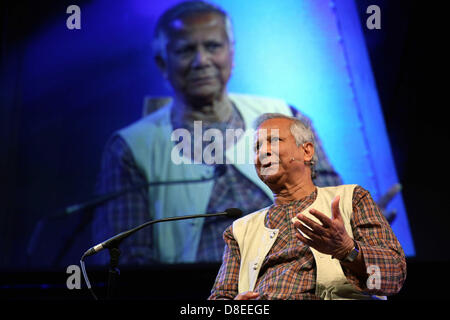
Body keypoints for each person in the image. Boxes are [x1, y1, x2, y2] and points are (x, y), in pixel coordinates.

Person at [91, 1, 342, 266]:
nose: (201, 61)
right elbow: (127, 263)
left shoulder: (285, 116)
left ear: (231, 55)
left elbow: (329, 203)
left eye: (213, 46)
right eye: (186, 50)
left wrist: (351, 221)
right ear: (163, 63)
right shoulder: (131, 148)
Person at [208, 113, 406, 300]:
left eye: (274, 141)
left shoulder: (352, 199)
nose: (263, 152)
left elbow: (393, 275)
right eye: (257, 147)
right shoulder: (239, 231)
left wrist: (347, 249)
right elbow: (220, 297)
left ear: (307, 151)